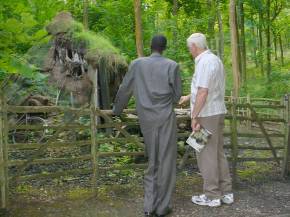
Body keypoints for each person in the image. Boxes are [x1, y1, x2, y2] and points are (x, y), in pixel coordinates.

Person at [113, 35, 182, 217]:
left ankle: (149, 206)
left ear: (150, 47)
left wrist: (116, 110)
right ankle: (162, 207)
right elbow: (176, 97)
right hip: (165, 118)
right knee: (166, 162)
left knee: (152, 161)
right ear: (164, 48)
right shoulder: (172, 66)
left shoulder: (136, 64)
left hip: (146, 120)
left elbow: (125, 88)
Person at [179, 33, 233, 207]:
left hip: (205, 114)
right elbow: (209, 87)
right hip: (217, 111)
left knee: (203, 153)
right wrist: (189, 96)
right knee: (217, 153)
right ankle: (226, 192)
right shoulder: (214, 59)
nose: (190, 51)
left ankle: (212, 195)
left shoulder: (203, 62)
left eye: (189, 48)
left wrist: (194, 116)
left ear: (194, 46)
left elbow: (203, 91)